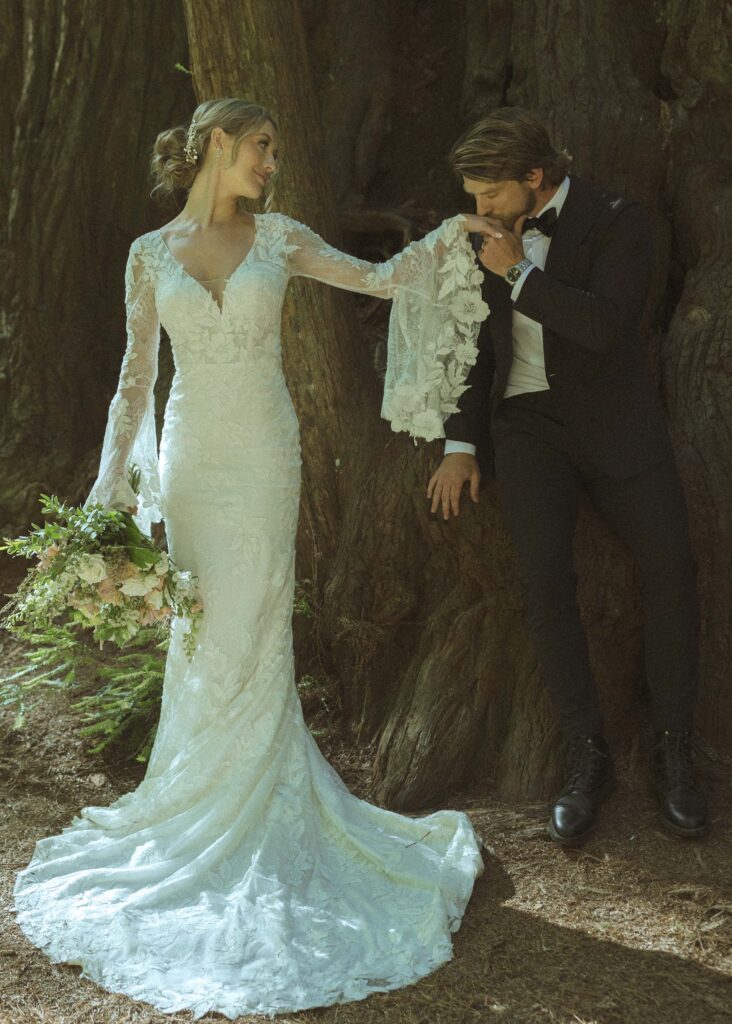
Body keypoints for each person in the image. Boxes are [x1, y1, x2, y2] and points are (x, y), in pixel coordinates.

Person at [13, 98, 488, 1019]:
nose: (273, 164)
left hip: (266, 454)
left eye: (275, 151)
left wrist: (445, 239)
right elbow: (136, 378)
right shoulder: (149, 254)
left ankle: (265, 808)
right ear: (218, 145)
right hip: (193, 462)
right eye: (263, 147)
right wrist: (108, 493)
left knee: (257, 621)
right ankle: (191, 802)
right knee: (202, 630)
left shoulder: (282, 237)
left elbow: (382, 280)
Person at [428, 107, 709, 847]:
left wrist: (517, 270)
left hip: (617, 426)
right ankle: (585, 757)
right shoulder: (482, 235)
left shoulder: (619, 219)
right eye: (473, 198)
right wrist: (461, 441)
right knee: (545, 580)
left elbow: (607, 325)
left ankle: (678, 751)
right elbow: (475, 345)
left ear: (533, 177)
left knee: (671, 569)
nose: (480, 212)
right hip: (526, 429)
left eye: (490, 196)